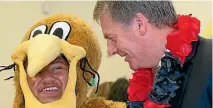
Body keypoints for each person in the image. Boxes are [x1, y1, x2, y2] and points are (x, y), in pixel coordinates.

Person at [93, 1, 212, 108]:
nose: (110, 50)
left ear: (140, 25)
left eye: (112, 38)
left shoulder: (209, 61)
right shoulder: (146, 80)